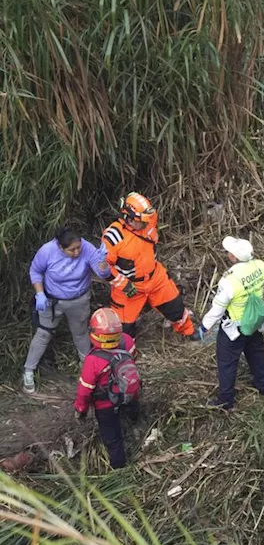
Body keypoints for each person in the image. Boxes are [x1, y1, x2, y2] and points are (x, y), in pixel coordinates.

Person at [101, 193, 201, 342]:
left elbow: (150, 216)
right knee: (124, 327)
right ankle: (126, 354)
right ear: (129, 219)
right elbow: (103, 267)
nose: (147, 223)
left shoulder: (149, 221)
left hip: (156, 278)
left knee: (175, 308)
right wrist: (124, 284)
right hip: (129, 285)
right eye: (143, 220)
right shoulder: (113, 237)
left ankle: (188, 331)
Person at [23, 224, 110, 394]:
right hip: (52, 301)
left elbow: (102, 275)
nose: (77, 253)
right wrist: (39, 294)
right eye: (71, 250)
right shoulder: (47, 251)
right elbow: (35, 271)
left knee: (80, 333)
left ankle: (88, 371)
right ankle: (28, 370)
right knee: (43, 334)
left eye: (78, 248)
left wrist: (103, 262)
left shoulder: (86, 248)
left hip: (78, 299)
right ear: (60, 246)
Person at [202, 237, 264, 409]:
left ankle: (226, 400)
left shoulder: (229, 280)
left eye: (229, 252)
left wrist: (204, 326)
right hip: (255, 320)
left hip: (235, 327)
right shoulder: (260, 266)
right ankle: (263, 386)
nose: (227, 254)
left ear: (234, 257)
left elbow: (218, 309)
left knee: (227, 362)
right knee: (257, 352)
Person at [74, 308, 140, 469]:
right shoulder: (127, 341)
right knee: (132, 409)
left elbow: (85, 390)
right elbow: (133, 360)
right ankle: (136, 421)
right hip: (129, 392)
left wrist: (80, 409)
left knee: (112, 437)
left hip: (105, 405)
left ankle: (119, 468)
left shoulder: (93, 360)